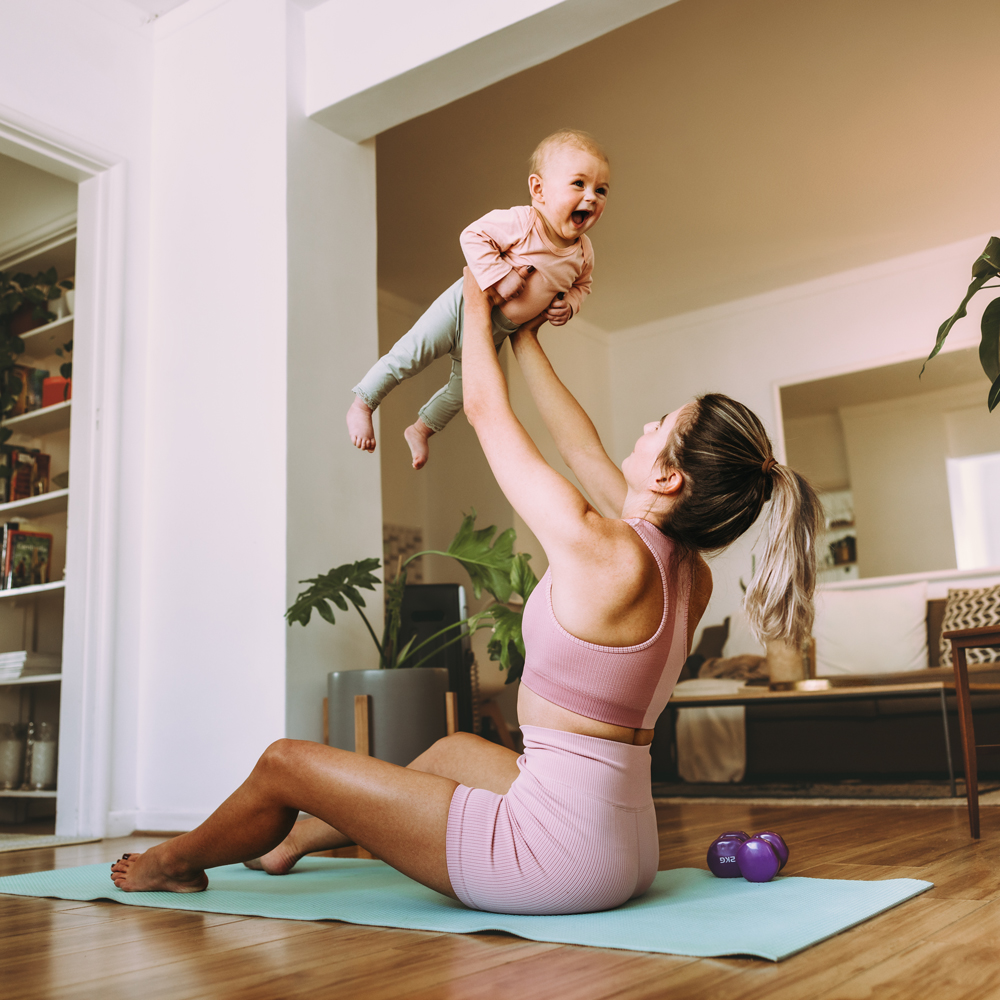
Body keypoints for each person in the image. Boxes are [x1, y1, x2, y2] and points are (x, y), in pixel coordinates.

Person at [111, 270, 820, 914]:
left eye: (661, 424)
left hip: (550, 860)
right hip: (624, 846)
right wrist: (526, 336)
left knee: (284, 762)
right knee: (453, 750)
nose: (645, 426)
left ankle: (171, 864)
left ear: (669, 478)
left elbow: (484, 412)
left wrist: (475, 292)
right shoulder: (684, 569)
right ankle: (290, 842)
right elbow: (579, 447)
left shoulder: (602, 548)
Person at [346, 128, 609, 470]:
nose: (591, 197)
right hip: (461, 308)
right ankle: (364, 402)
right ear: (538, 189)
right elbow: (472, 235)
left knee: (465, 392)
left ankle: (421, 429)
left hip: (495, 331)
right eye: (579, 184)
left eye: (601, 190)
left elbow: (583, 285)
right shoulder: (523, 222)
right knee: (410, 354)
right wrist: (500, 275)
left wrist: (570, 304)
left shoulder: (584, 253)